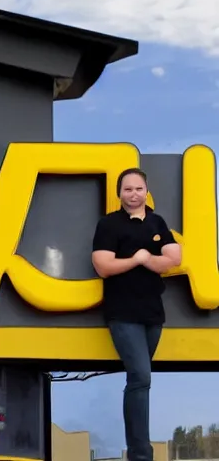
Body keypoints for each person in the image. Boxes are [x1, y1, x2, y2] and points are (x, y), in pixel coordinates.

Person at [91, 167, 181, 461]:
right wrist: (137, 259)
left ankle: (140, 450)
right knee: (140, 377)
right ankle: (141, 454)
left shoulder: (157, 222)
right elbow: (103, 266)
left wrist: (148, 259)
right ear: (119, 193)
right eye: (127, 189)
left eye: (138, 189)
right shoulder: (109, 225)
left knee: (142, 379)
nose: (133, 194)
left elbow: (174, 259)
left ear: (146, 191)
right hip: (122, 313)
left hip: (153, 313)